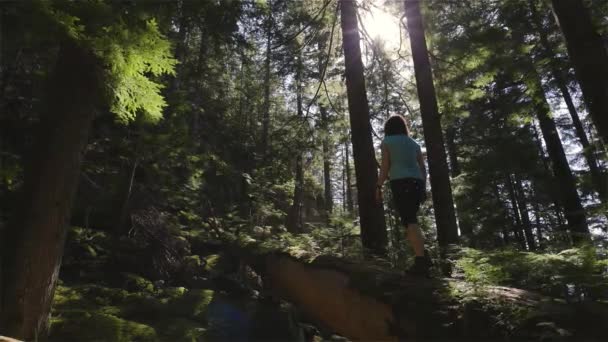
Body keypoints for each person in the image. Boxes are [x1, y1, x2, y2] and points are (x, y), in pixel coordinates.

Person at [376, 115, 432, 276]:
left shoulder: (387, 142)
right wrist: (423, 186)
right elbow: (422, 167)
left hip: (401, 183)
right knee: (409, 221)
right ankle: (423, 255)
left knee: (410, 221)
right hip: (416, 183)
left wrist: (378, 185)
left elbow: (385, 166)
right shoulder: (414, 143)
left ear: (388, 128)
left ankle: (421, 261)